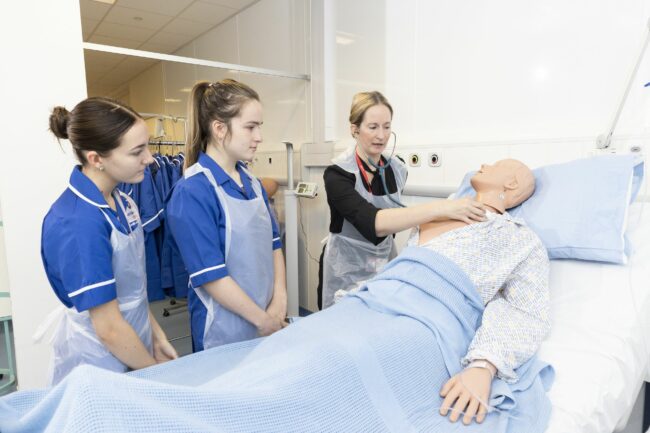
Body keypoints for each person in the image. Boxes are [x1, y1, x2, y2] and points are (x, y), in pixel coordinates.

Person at [4, 159, 552, 432]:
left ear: (510, 190)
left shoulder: (516, 238)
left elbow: (521, 309)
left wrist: (483, 365)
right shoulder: (435, 219)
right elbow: (383, 230)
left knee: (315, 372)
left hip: (420, 328)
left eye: (499, 164)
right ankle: (113, 406)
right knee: (283, 356)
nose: (481, 164)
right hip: (365, 308)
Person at [40, 97, 178, 386]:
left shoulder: (123, 201)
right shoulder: (77, 223)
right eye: (137, 152)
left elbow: (132, 291)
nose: (150, 158)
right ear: (96, 158)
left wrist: (155, 335)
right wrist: (153, 372)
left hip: (134, 346)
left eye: (148, 146)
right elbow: (109, 328)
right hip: (98, 364)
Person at [319, 91, 488, 308]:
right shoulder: (337, 174)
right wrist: (443, 208)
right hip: (345, 267)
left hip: (383, 263)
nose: (381, 135)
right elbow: (373, 222)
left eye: (387, 126)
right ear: (355, 129)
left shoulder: (396, 169)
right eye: (373, 127)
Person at [166, 79, 287, 353]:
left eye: (260, 127)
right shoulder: (193, 191)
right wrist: (261, 319)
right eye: (250, 127)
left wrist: (279, 298)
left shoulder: (252, 183)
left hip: (268, 318)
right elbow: (211, 277)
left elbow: (274, 244)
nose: (259, 137)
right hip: (224, 330)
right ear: (220, 129)